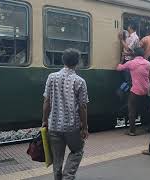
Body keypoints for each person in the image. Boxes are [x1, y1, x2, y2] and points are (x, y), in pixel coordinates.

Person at [42, 48, 89, 180]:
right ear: (77, 62)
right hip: (71, 126)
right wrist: (84, 126)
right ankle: (68, 176)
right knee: (77, 150)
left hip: (54, 125)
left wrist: (45, 120)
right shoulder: (79, 81)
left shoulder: (51, 77)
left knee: (57, 158)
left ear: (63, 60)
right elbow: (83, 106)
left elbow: (46, 101)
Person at [116, 47, 150, 136]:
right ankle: (149, 127)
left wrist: (121, 59)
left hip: (135, 90)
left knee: (132, 110)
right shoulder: (148, 63)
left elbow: (119, 68)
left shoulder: (131, 63)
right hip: (146, 90)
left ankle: (132, 131)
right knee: (146, 109)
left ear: (134, 54)